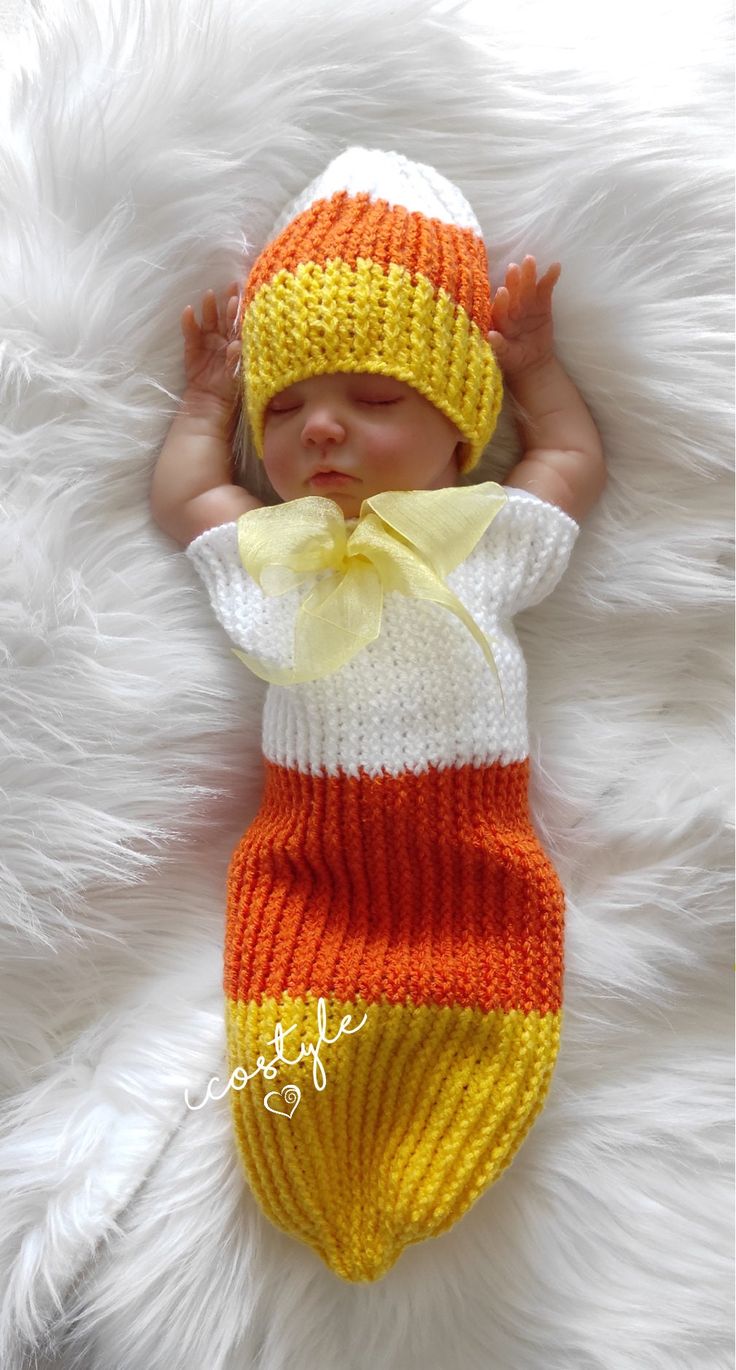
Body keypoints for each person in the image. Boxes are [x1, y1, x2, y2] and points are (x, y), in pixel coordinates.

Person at [150, 146, 606, 1283]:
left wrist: (536, 371)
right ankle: (307, 1143)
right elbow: (187, 498)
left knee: (481, 988)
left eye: (372, 398)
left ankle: (458, 1091)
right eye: (288, 405)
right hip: (312, 860)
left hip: (472, 854)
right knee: (288, 997)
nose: (320, 430)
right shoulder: (274, 553)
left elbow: (569, 456)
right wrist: (210, 396)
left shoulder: (486, 536)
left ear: (459, 427)